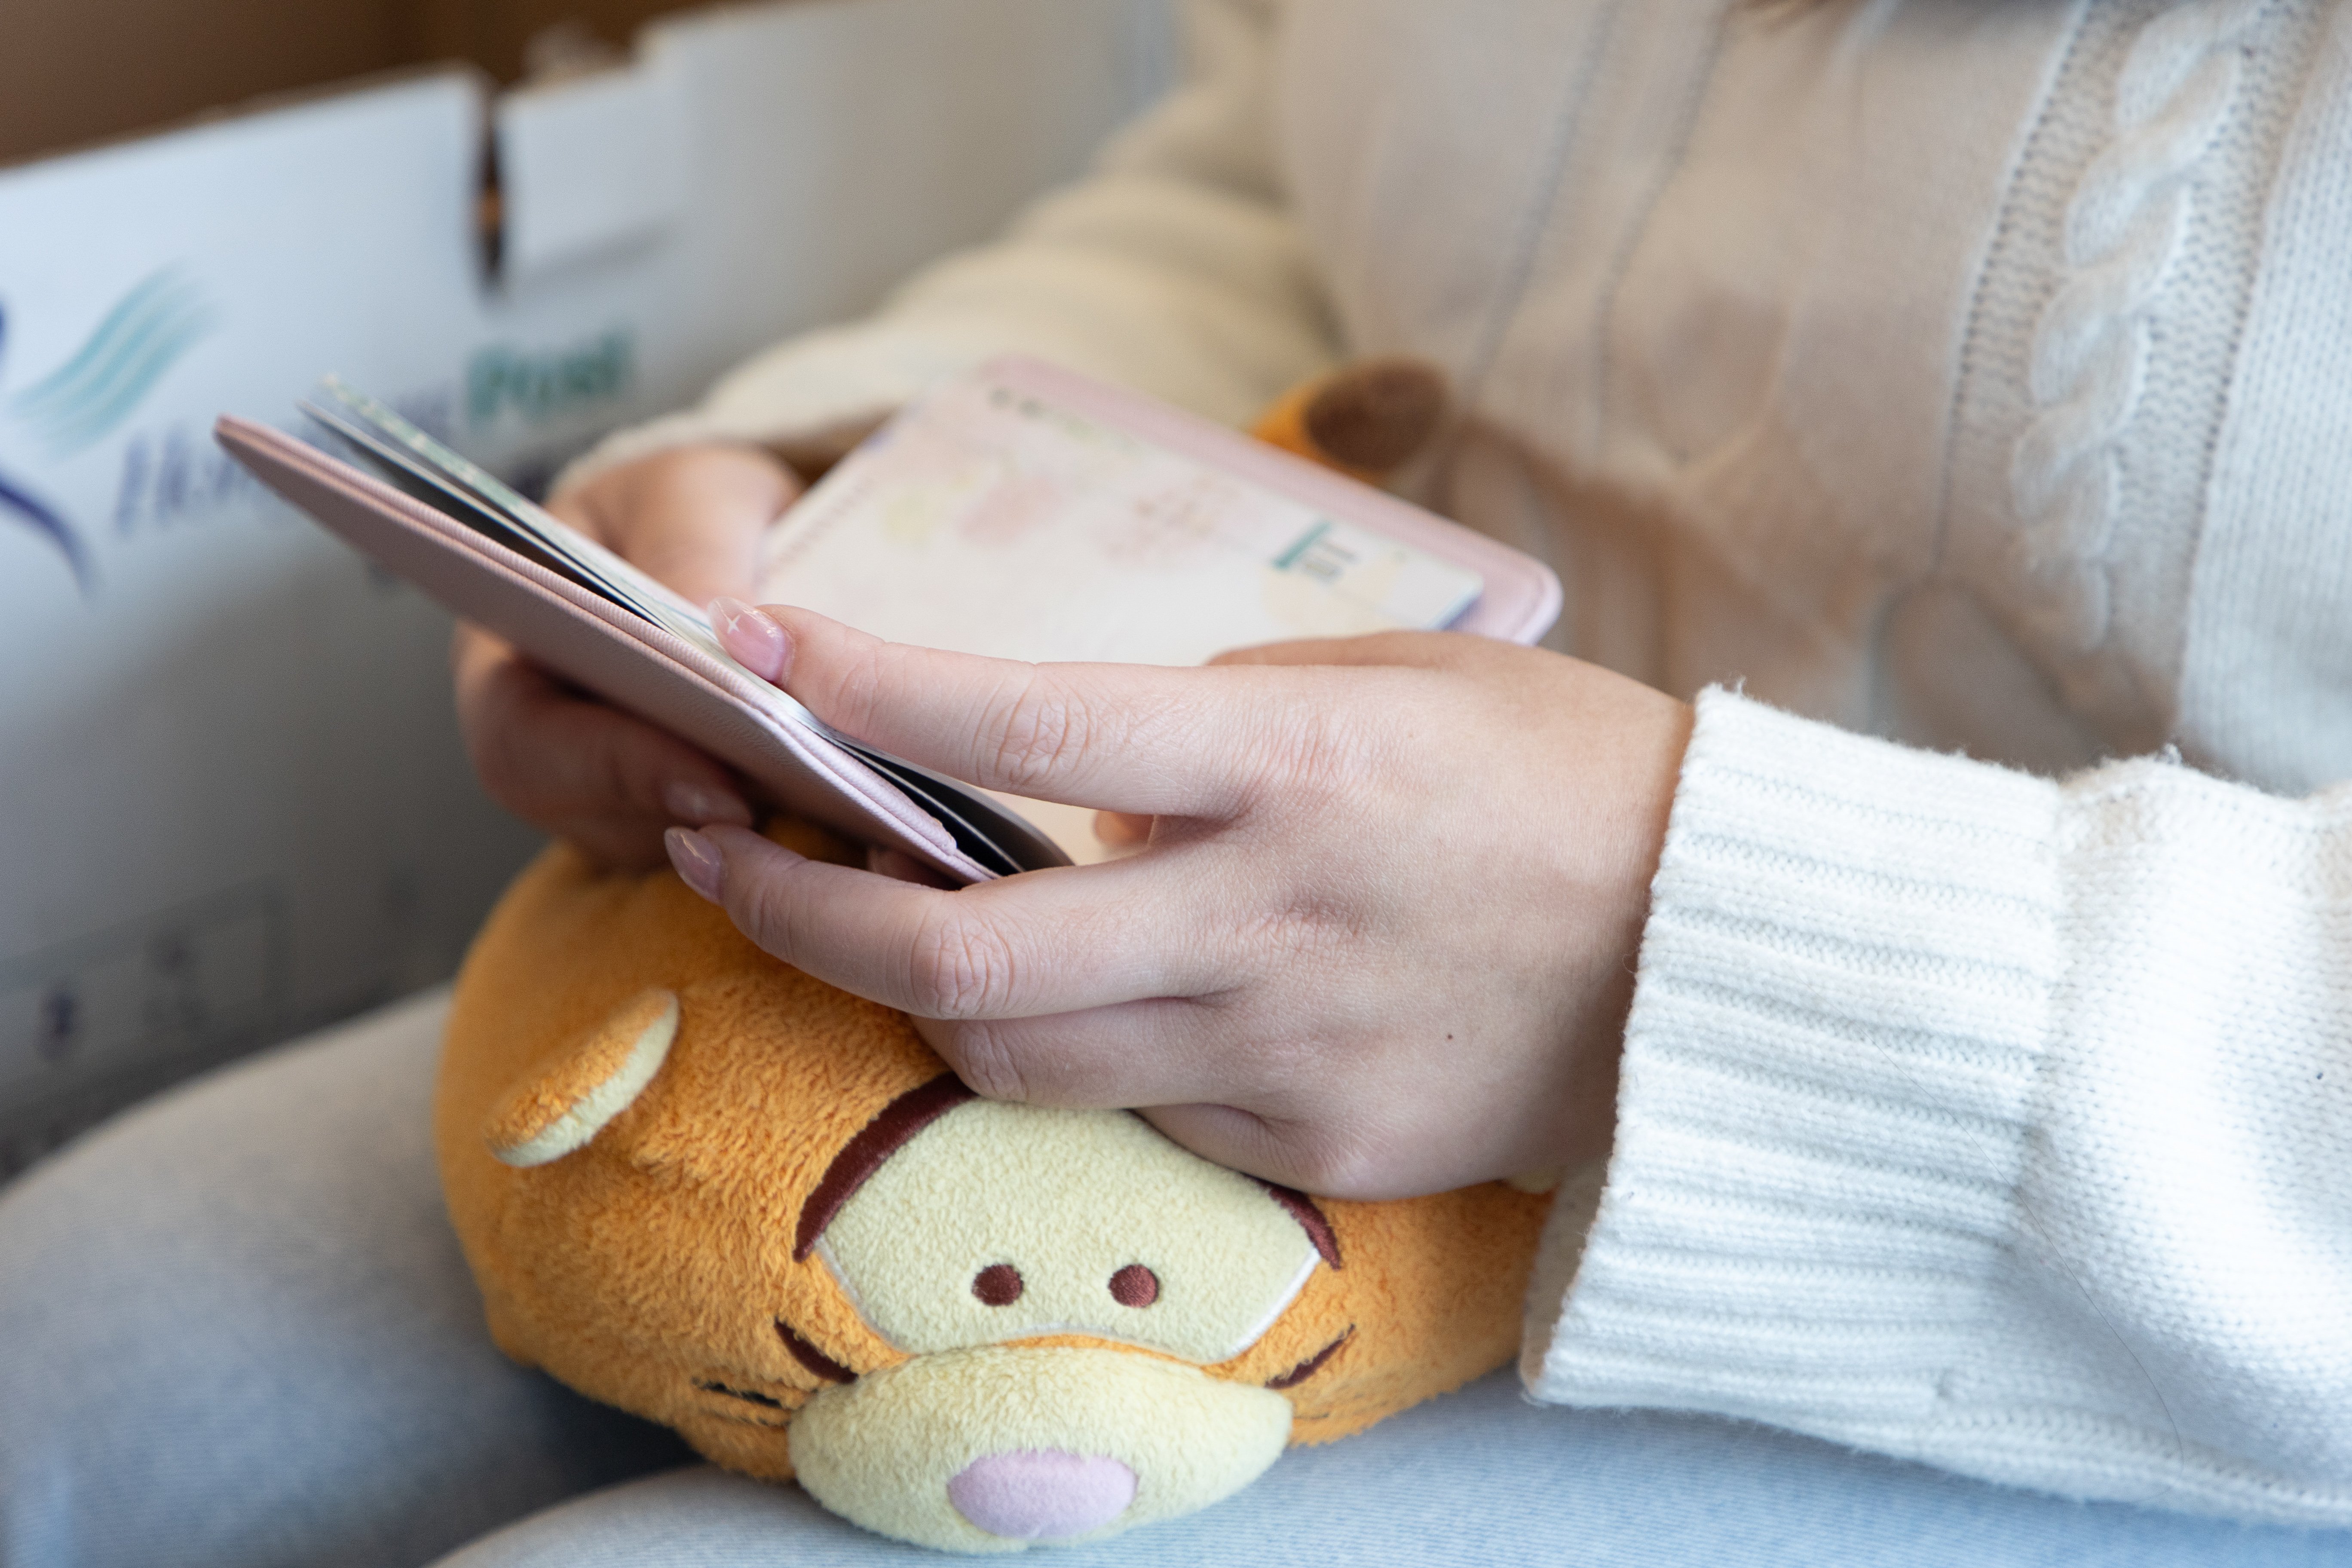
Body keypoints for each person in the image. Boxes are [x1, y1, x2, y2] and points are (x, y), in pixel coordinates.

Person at [8, 0, 2352, 1562]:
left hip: (2107, 1270)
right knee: (77, 1347)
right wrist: (852, 498)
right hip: (1217, 896)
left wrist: (1679, 953)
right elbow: (1278, 176)